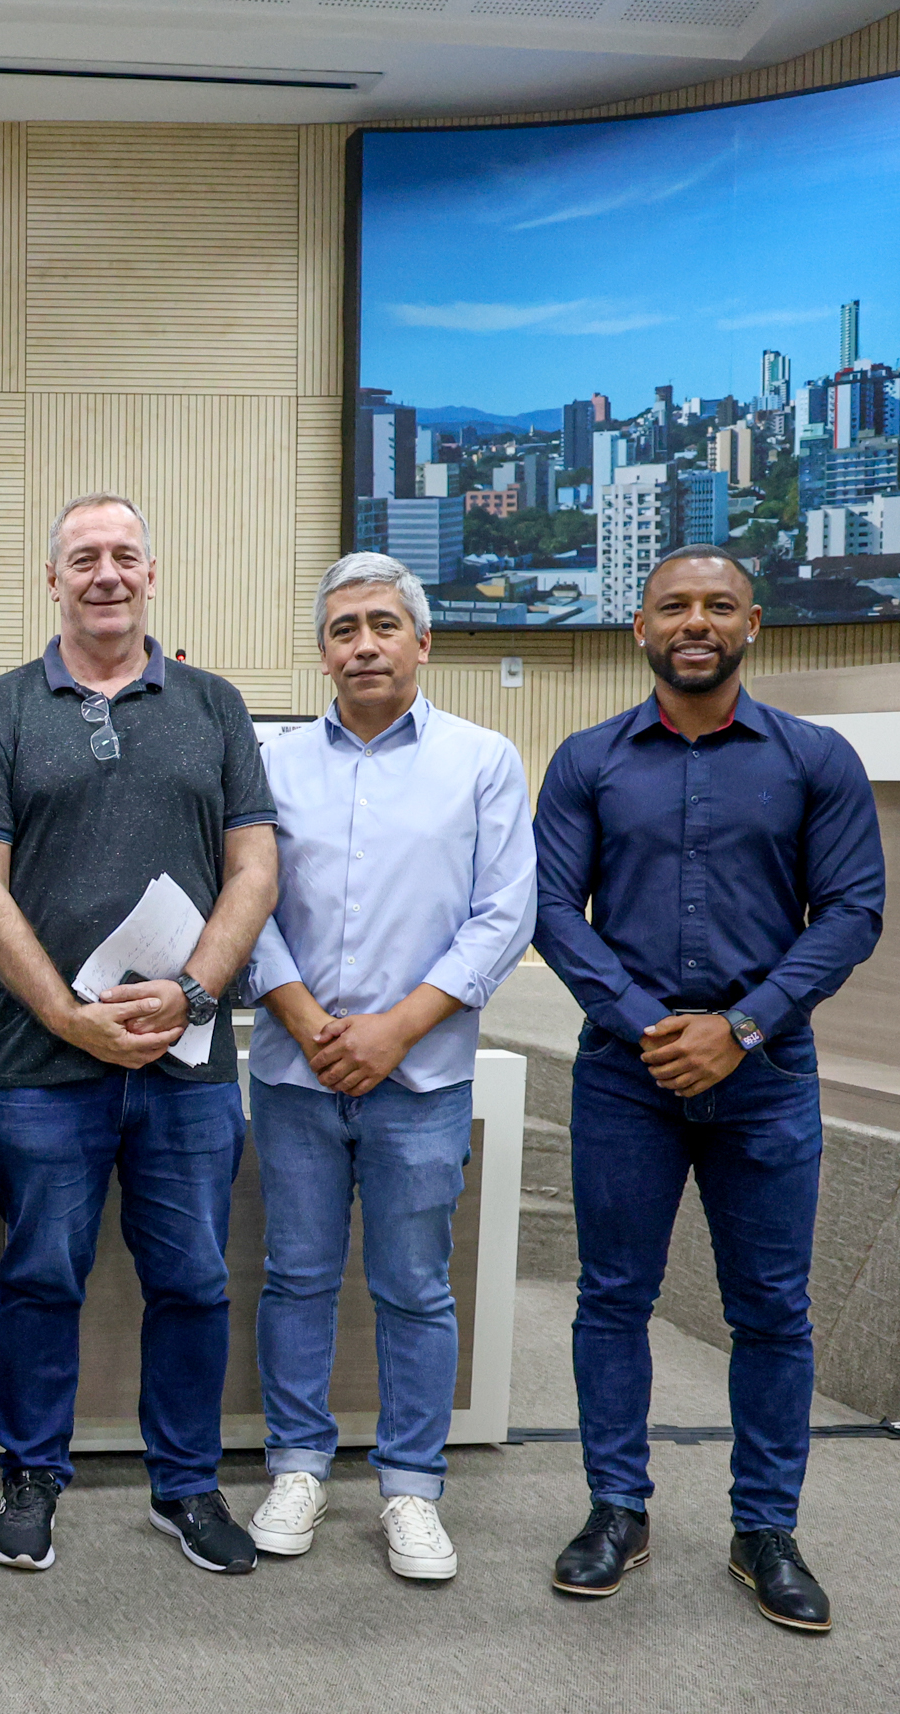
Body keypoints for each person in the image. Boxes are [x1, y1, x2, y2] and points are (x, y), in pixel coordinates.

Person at [535, 546, 882, 1633]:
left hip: (767, 1073)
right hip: (625, 1072)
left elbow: (853, 911)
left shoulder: (816, 759)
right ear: (639, 627)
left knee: (771, 1310)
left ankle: (765, 1529)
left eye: (718, 606)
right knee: (613, 1298)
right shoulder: (587, 760)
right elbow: (551, 910)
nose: (697, 622)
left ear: (752, 624)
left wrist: (739, 1028)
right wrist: (648, 1023)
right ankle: (616, 1509)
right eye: (675, 606)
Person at [0, 493, 281, 1576]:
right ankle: (31, 1478)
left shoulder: (214, 704)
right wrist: (66, 1015)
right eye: (83, 557)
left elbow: (254, 868)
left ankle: (185, 1486)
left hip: (187, 1065)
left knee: (192, 1281)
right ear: (52, 579)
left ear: (151, 573)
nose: (106, 573)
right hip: (43, 1064)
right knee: (41, 1278)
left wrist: (193, 992)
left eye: (124, 555)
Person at [242, 553, 533, 1583]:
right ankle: (297, 1466)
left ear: (422, 641)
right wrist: (307, 1017)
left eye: (382, 624)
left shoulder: (482, 760)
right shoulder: (272, 766)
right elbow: (244, 903)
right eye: (343, 629)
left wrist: (396, 1030)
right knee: (295, 1277)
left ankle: (412, 1485)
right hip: (295, 1071)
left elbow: (505, 914)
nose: (363, 644)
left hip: (422, 1076)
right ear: (322, 653)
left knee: (414, 1286)